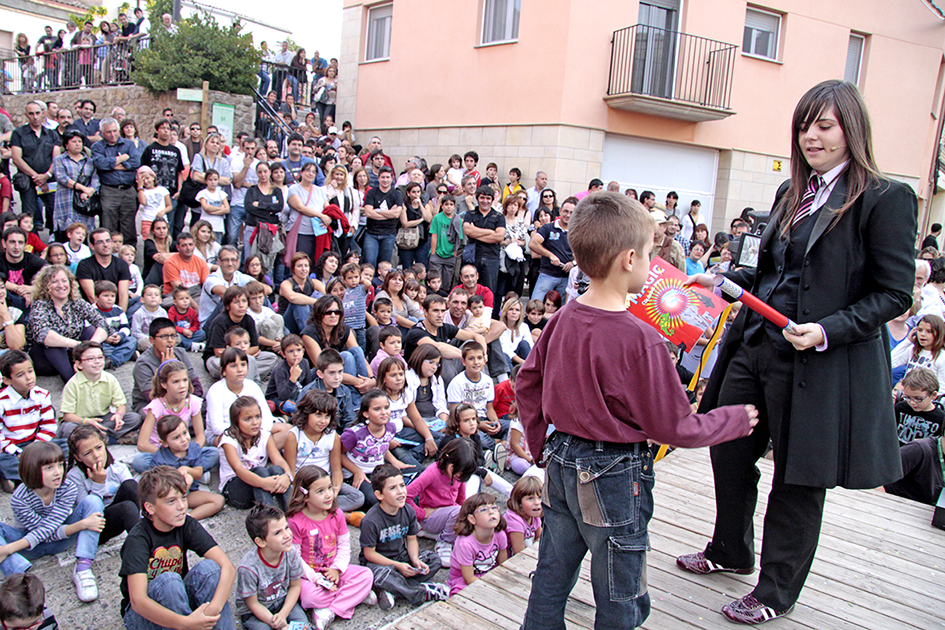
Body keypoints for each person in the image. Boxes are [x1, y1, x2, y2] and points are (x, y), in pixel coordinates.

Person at [674, 81, 918, 624]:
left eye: (824, 125)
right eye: (805, 125)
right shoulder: (791, 192)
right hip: (755, 346)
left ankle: (774, 592)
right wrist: (721, 280)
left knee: (798, 479)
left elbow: (895, 293)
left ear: (851, 130)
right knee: (728, 449)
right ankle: (729, 550)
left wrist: (828, 329)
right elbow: (768, 272)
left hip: (819, 363)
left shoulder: (885, 198)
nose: (812, 136)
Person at [516, 192, 757, 629]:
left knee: (551, 575)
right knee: (619, 588)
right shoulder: (640, 340)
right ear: (629, 259)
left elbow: (527, 382)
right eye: (650, 254)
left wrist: (537, 444)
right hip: (612, 474)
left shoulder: (562, 318)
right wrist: (733, 420)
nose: (652, 263)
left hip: (559, 462)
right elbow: (676, 426)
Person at [118, 466, 237, 630]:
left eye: (183, 497)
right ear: (150, 508)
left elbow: (228, 568)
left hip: (177, 601)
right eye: (171, 501)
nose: (182, 506)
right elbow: (138, 601)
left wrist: (212, 611)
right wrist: (186, 624)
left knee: (210, 568)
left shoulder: (185, 523)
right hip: (142, 615)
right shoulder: (138, 539)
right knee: (169, 581)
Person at [0, 442, 105, 601]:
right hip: (29, 546)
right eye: (48, 468)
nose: (58, 472)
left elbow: (50, 531)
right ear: (31, 469)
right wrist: (82, 524)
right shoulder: (19, 498)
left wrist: (7, 549)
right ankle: (20, 581)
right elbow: (42, 533)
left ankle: (83, 568)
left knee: (93, 501)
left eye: (60, 465)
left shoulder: (67, 487)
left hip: (62, 540)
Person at [285, 465, 376, 629]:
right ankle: (353, 597)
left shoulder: (337, 514)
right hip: (310, 575)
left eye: (329, 488)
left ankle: (329, 611)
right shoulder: (295, 521)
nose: (328, 495)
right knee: (310, 597)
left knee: (367, 575)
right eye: (320, 491)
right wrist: (316, 578)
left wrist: (337, 569)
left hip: (334, 570)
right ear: (304, 495)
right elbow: (295, 557)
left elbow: (344, 545)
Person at [360, 464, 449, 607]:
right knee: (381, 575)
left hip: (401, 557)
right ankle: (420, 591)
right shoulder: (371, 521)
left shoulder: (408, 510)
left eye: (402, 485)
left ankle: (394, 590)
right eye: (392, 488)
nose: (401, 492)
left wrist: (414, 560)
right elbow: (369, 554)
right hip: (380, 564)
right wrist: (398, 566)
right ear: (379, 495)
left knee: (434, 560)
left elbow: (412, 539)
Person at [283, 389, 365, 518]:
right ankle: (337, 514)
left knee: (358, 497)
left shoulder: (332, 437)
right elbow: (290, 471)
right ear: (306, 413)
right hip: (304, 485)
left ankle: (317, 509)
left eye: (327, 416)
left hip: (326, 482)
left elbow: (336, 470)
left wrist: (335, 490)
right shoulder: (294, 436)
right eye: (318, 415)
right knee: (289, 500)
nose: (323, 421)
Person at [27, 265, 108, 383]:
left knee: (90, 330)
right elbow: (43, 335)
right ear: (46, 285)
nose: (61, 285)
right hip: (46, 357)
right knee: (54, 342)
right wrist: (78, 345)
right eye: (54, 282)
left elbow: (102, 323)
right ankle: (72, 381)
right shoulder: (40, 305)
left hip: (71, 354)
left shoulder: (77, 302)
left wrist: (91, 346)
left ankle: (92, 370)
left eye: (64, 281)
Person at [405, 438, 478, 568]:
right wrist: (421, 514)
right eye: (459, 473)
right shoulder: (432, 473)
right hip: (430, 518)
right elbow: (406, 495)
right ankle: (444, 542)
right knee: (458, 512)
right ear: (451, 465)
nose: (459, 478)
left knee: (474, 512)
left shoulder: (458, 475)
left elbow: (461, 498)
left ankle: (439, 534)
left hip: (450, 513)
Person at [236, 504, 308, 630]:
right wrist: (277, 624)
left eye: (286, 527)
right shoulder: (248, 568)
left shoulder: (290, 554)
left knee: (302, 624)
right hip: (255, 611)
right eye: (277, 533)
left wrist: (283, 615)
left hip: (282, 601)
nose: (287, 535)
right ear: (261, 542)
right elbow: (252, 604)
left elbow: (295, 586)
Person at [65, 424, 140, 546]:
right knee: (127, 508)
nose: (96, 455)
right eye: (87, 453)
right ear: (78, 457)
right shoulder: (75, 477)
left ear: (104, 444)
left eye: (99, 447)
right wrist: (98, 483)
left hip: (115, 518)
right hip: (92, 528)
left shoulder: (118, 468)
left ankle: (143, 537)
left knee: (131, 485)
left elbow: (135, 496)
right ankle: (141, 546)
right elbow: (89, 511)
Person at [0, 351, 63, 489]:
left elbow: (48, 426)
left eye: (30, 371)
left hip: (36, 444)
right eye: (20, 375)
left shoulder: (42, 395)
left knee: (66, 446)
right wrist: (15, 451)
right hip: (11, 449)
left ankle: (22, 478)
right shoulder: (2, 400)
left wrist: (35, 449)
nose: (29, 378)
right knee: (2, 460)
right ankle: (41, 474)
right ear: (7, 380)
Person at [58, 341, 142, 441]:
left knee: (134, 418)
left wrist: (118, 415)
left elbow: (121, 405)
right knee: (67, 429)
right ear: (79, 364)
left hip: (103, 419)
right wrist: (86, 421)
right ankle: (108, 438)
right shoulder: (73, 384)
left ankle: (95, 437)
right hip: (82, 421)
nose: (97, 361)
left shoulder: (110, 379)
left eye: (100, 357)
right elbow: (67, 416)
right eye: (91, 359)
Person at [219, 395, 292, 510]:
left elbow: (278, 460)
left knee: (276, 470)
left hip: (261, 484)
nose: (255, 422)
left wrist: (287, 476)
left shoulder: (264, 435)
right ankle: (268, 516)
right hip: (235, 488)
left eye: (257, 417)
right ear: (236, 421)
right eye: (247, 419)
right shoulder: (228, 439)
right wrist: (263, 483)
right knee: (260, 471)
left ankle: (291, 514)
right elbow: (239, 469)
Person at [149, 415, 224, 520]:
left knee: (219, 500)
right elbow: (158, 488)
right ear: (164, 443)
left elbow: (198, 473)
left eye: (185, 433)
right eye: (176, 437)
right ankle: (173, 516)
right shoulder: (160, 459)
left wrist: (186, 469)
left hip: (188, 493)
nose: (184, 439)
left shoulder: (193, 448)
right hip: (170, 497)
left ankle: (188, 518)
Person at [130, 317, 205, 414]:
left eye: (173, 336)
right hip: (151, 404)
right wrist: (167, 368)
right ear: (152, 340)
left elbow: (197, 387)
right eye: (164, 337)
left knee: (205, 404)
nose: (170, 340)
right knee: (157, 415)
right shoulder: (143, 364)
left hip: (183, 398)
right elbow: (152, 397)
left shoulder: (180, 353)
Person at [10, 101, 59, 232]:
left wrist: (46, 175)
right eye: (31, 114)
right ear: (26, 115)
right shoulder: (18, 133)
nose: (35, 117)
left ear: (43, 113)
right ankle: (30, 244)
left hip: (49, 179)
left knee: (56, 212)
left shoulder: (52, 134)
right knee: (28, 215)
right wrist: (36, 177)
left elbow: (57, 158)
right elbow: (16, 158)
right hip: (28, 180)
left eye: (38, 113)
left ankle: (56, 243)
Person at [447, 492, 508, 596]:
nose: (491, 512)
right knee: (462, 593)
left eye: (494, 508)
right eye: (483, 510)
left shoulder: (500, 535)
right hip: (463, 579)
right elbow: (468, 578)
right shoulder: (465, 544)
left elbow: (503, 565)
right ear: (472, 519)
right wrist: (491, 589)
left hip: (490, 574)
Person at [93, 117, 141, 247]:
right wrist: (122, 158)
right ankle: (108, 251)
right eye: (108, 132)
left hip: (128, 189)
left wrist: (112, 163)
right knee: (109, 224)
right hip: (109, 190)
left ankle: (129, 253)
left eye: (115, 131)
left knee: (129, 224)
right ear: (102, 133)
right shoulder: (97, 146)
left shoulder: (128, 144)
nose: (113, 134)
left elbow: (136, 162)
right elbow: (99, 164)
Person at [52, 128, 99, 239]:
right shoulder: (60, 159)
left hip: (84, 202)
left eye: (79, 141)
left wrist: (89, 192)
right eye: (74, 142)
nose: (77, 144)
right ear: (66, 144)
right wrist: (83, 188)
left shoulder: (90, 161)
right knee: (65, 234)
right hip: (66, 200)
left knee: (83, 233)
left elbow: (95, 180)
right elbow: (62, 178)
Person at [529, 197, 574, 302]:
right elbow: (533, 243)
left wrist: (573, 262)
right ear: (560, 211)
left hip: (567, 277)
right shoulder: (548, 228)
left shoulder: (577, 232)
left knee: (561, 311)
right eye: (566, 211)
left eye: (571, 212)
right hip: (547, 275)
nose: (568, 215)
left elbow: (584, 252)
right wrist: (550, 255)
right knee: (535, 305)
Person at [77, 228, 132, 312]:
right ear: (92, 246)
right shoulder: (84, 265)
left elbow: (123, 295)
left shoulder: (121, 264)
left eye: (108, 241)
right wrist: (104, 318)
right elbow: (92, 297)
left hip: (116, 309)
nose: (105, 244)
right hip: (92, 312)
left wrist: (120, 316)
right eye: (100, 242)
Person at [463, 187, 506, 294]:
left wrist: (475, 232)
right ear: (477, 199)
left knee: (490, 291)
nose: (485, 201)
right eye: (482, 197)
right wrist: (490, 232)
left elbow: (499, 237)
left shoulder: (499, 216)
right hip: (473, 257)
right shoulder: (470, 214)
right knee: (471, 289)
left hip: (492, 258)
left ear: (492, 200)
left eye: (488, 198)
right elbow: (467, 230)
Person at [362, 166, 403, 269]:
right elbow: (368, 213)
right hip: (372, 233)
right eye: (383, 177)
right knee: (369, 262)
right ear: (379, 178)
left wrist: (378, 210)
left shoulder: (397, 193)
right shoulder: (372, 192)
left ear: (392, 178)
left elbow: (396, 214)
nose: (385, 180)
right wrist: (389, 213)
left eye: (388, 177)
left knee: (385, 265)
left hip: (388, 234)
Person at [892, 367, 943, 445]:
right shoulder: (900, 408)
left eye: (918, 398)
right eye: (907, 397)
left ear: (933, 395)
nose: (912, 402)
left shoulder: (941, 418)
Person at [93, 280, 137, 368]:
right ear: (97, 297)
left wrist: (120, 336)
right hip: (103, 341)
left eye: (112, 296)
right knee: (101, 349)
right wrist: (105, 338)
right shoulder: (92, 311)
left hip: (117, 339)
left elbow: (125, 327)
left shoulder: (118, 310)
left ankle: (112, 361)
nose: (110, 299)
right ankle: (124, 355)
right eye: (105, 296)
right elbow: (90, 329)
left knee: (132, 340)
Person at [505, 475, 543, 557]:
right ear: (519, 502)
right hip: (511, 562)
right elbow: (519, 554)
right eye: (530, 498)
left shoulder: (534, 515)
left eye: (540, 497)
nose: (537, 502)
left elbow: (541, 538)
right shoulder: (514, 521)